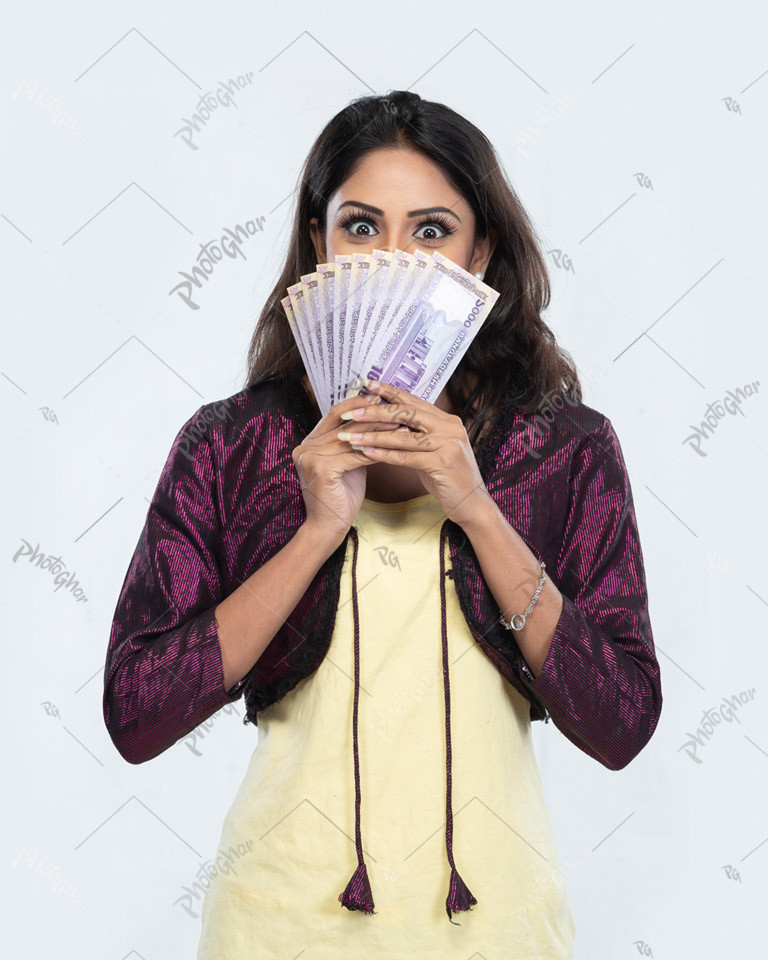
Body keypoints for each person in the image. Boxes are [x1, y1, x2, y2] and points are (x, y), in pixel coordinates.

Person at [102, 90, 663, 959]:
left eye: (432, 230)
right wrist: (317, 529)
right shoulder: (230, 447)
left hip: (500, 932)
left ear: (482, 253)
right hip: (278, 928)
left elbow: (622, 723)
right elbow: (138, 715)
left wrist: (476, 507)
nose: (395, 258)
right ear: (319, 243)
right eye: (362, 227)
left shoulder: (564, 450)